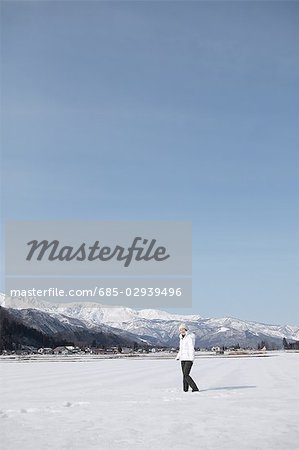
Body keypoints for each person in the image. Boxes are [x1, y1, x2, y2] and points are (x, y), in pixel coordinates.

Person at [176, 323, 199, 392]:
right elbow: (181, 349)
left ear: (186, 329)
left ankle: (195, 388)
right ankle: (185, 389)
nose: (182, 331)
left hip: (189, 358)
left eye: (183, 329)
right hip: (183, 358)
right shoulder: (181, 338)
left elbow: (191, 348)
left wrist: (192, 358)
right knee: (184, 375)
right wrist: (178, 356)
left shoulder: (189, 337)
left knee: (186, 374)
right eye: (180, 330)